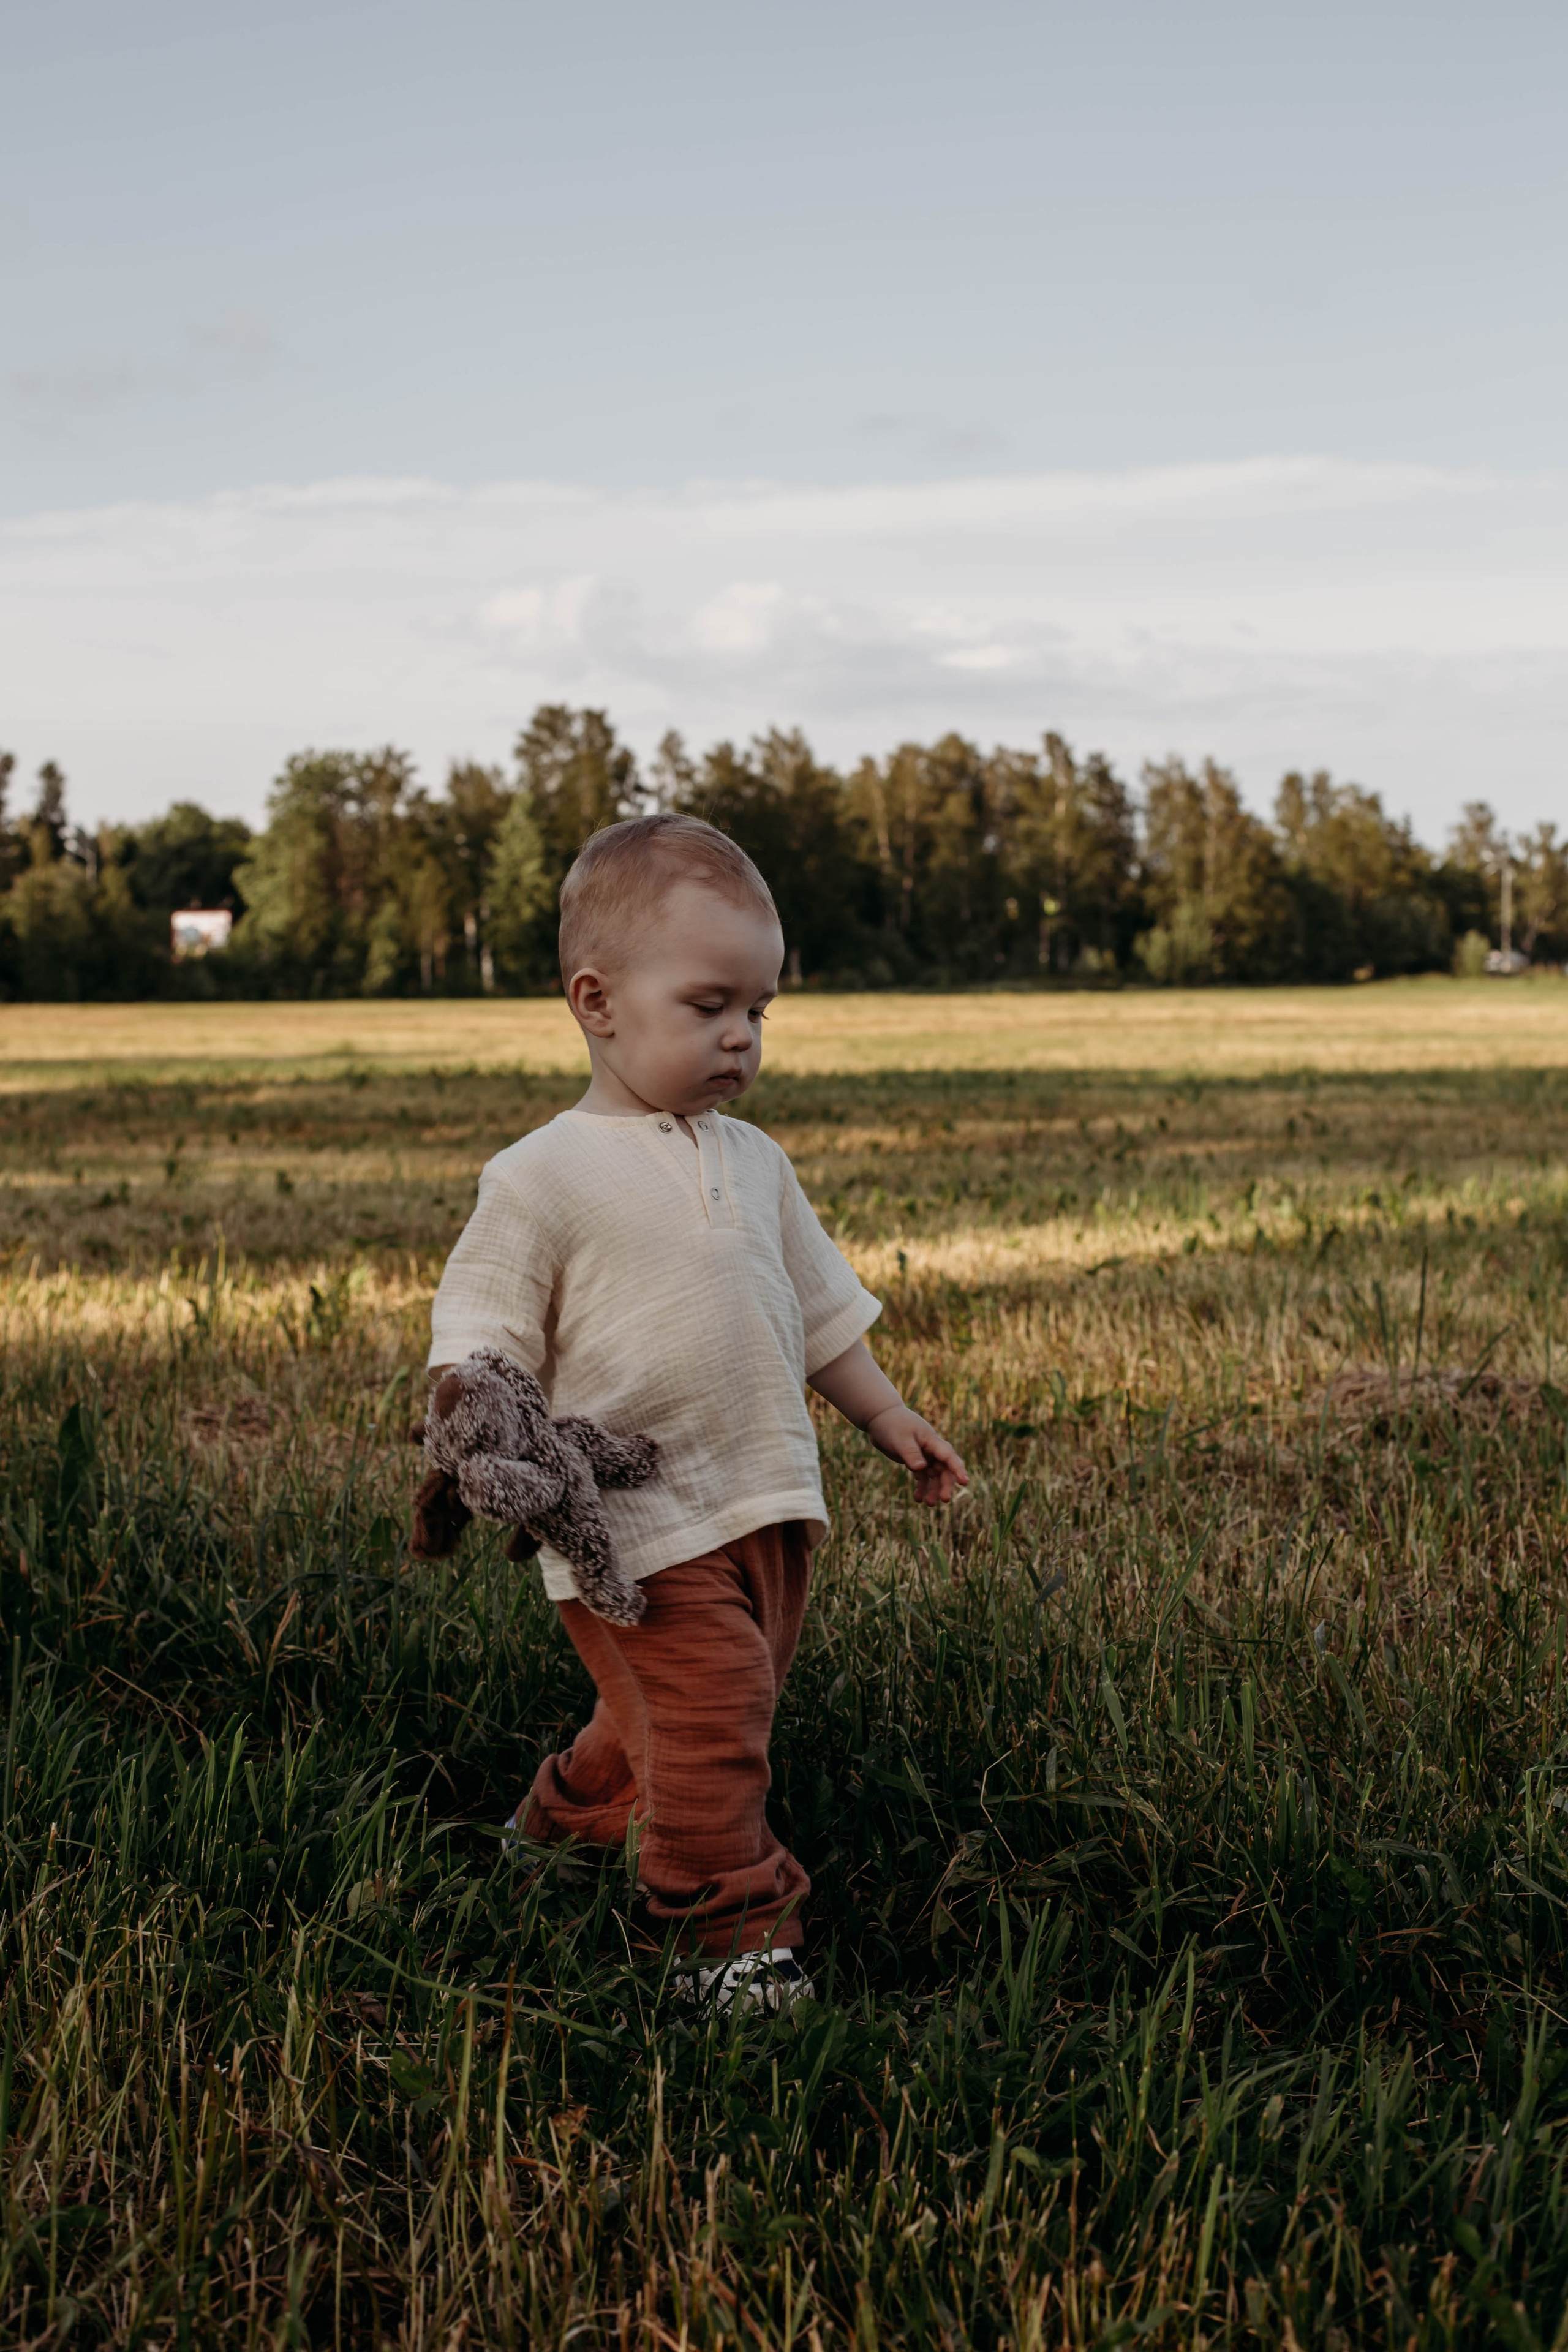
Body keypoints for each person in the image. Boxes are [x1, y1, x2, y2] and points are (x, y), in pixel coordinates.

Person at [425, 812, 967, 2009]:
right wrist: (474, 1418)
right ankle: (719, 1938)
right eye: (709, 1005)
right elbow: (482, 1330)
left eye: (759, 1012)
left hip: (765, 1499)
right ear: (597, 1000)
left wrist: (884, 1417)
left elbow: (819, 1312)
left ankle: (559, 1830)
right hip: (633, 1525)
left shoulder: (757, 1162)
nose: (740, 1037)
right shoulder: (541, 1174)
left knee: (674, 1715)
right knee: (713, 1717)